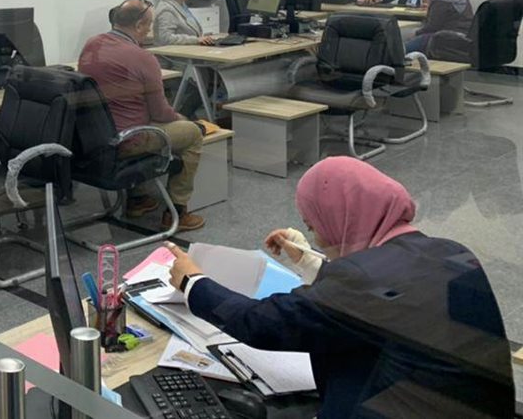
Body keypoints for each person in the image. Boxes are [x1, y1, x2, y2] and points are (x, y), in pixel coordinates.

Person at [167, 157, 513, 419]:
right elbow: (383, 301)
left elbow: (262, 323)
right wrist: (309, 263)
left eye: (314, 226)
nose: (318, 238)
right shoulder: (450, 250)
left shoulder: (362, 280)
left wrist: (192, 282)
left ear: (343, 217)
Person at [78, 0, 206, 231]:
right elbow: (161, 112)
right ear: (138, 26)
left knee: (142, 118)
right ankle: (177, 211)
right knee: (193, 133)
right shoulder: (144, 58)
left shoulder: (92, 44)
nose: (150, 31)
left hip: (96, 137)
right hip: (129, 139)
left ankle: (137, 199)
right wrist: (183, 119)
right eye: (149, 25)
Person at [152, 0, 217, 46]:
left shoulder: (181, 4)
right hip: (173, 52)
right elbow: (166, 38)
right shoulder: (166, 9)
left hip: (188, 49)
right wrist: (195, 40)